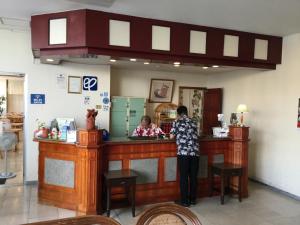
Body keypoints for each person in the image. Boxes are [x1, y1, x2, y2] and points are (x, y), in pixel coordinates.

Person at [170, 106, 199, 207]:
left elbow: (171, 136)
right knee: (193, 177)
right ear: (186, 112)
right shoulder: (194, 121)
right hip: (195, 153)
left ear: (178, 114)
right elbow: (196, 134)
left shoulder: (177, 121)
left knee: (183, 177)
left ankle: (184, 201)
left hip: (183, 153)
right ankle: (193, 200)